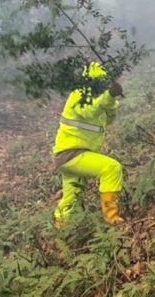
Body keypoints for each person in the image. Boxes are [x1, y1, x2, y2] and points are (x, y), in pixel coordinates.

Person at [52, 62, 125, 229]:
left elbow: (109, 118)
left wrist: (111, 98)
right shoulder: (79, 95)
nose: (102, 86)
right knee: (111, 168)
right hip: (72, 154)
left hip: (70, 154)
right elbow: (89, 110)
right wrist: (108, 96)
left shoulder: (99, 99)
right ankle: (112, 219)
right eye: (100, 83)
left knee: (72, 197)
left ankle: (60, 230)